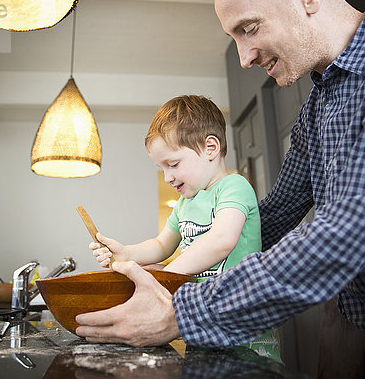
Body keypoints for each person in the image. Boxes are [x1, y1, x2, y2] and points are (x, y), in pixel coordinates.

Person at [76, 0, 365, 377]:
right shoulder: (317, 109)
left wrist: (181, 308)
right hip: (360, 331)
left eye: (249, 28)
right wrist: (177, 258)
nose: (244, 57)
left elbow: (348, 230)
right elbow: (269, 217)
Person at [89, 95, 281, 361]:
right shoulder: (184, 203)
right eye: (161, 168)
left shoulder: (233, 187)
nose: (167, 177)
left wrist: (165, 276)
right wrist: (126, 253)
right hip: (201, 319)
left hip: (243, 323)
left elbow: (222, 239)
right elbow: (160, 245)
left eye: (173, 164)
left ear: (210, 148)